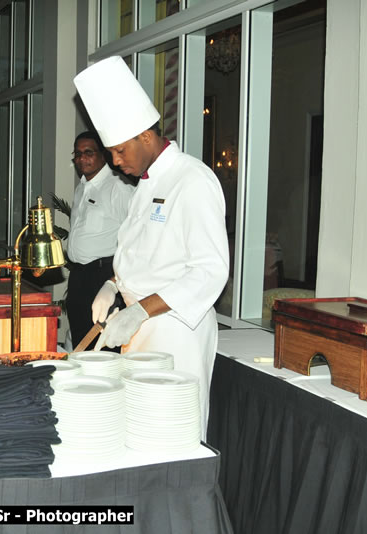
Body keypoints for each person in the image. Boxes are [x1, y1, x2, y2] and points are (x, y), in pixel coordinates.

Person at [74, 57, 229, 438]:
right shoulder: (145, 183)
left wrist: (141, 309)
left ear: (146, 136)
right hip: (138, 326)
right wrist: (113, 284)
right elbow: (143, 253)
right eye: (110, 152)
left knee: (170, 432)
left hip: (176, 331)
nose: (114, 161)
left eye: (120, 151)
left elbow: (210, 270)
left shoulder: (192, 180)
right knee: (138, 430)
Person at [65, 131, 134, 349]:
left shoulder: (118, 187)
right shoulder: (83, 185)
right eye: (77, 154)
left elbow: (134, 235)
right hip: (78, 277)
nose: (81, 159)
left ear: (103, 155)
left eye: (88, 153)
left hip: (103, 277)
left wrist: (116, 279)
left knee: (102, 347)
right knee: (80, 342)